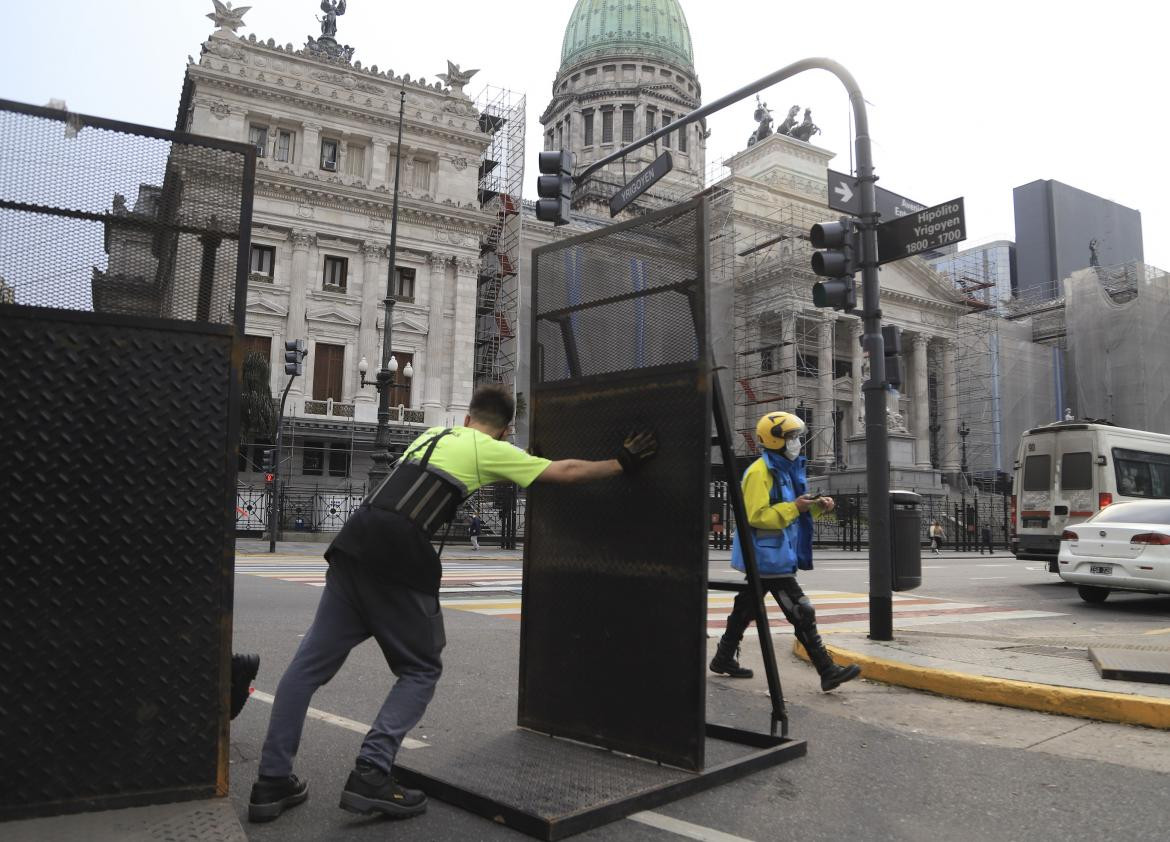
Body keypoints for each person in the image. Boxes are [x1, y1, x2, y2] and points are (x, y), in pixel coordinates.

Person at [248, 385, 657, 824]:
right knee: (421, 669)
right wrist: (622, 463)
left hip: (353, 542)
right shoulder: (488, 448)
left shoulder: (431, 436)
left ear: (466, 418)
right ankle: (371, 772)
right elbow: (565, 471)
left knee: (306, 669)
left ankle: (272, 781)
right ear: (503, 432)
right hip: (398, 554)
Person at [710, 411, 861, 691]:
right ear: (774, 440)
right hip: (766, 556)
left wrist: (815, 506)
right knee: (801, 610)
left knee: (746, 607)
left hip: (776, 553)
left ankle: (723, 657)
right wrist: (797, 507)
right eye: (791, 437)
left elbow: (791, 513)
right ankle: (827, 670)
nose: (797, 442)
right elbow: (756, 516)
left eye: (797, 436)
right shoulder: (759, 472)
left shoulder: (786, 470)